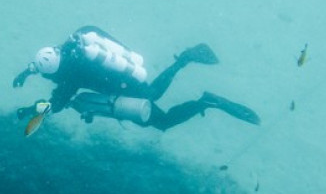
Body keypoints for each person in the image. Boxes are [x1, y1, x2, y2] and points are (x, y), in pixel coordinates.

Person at [13, 26, 260, 130]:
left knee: (158, 110)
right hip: (121, 77)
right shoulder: (70, 47)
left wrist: (30, 109)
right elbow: (44, 63)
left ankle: (194, 77)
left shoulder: (70, 77)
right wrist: (27, 71)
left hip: (124, 84)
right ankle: (197, 85)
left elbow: (55, 105)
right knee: (159, 115)